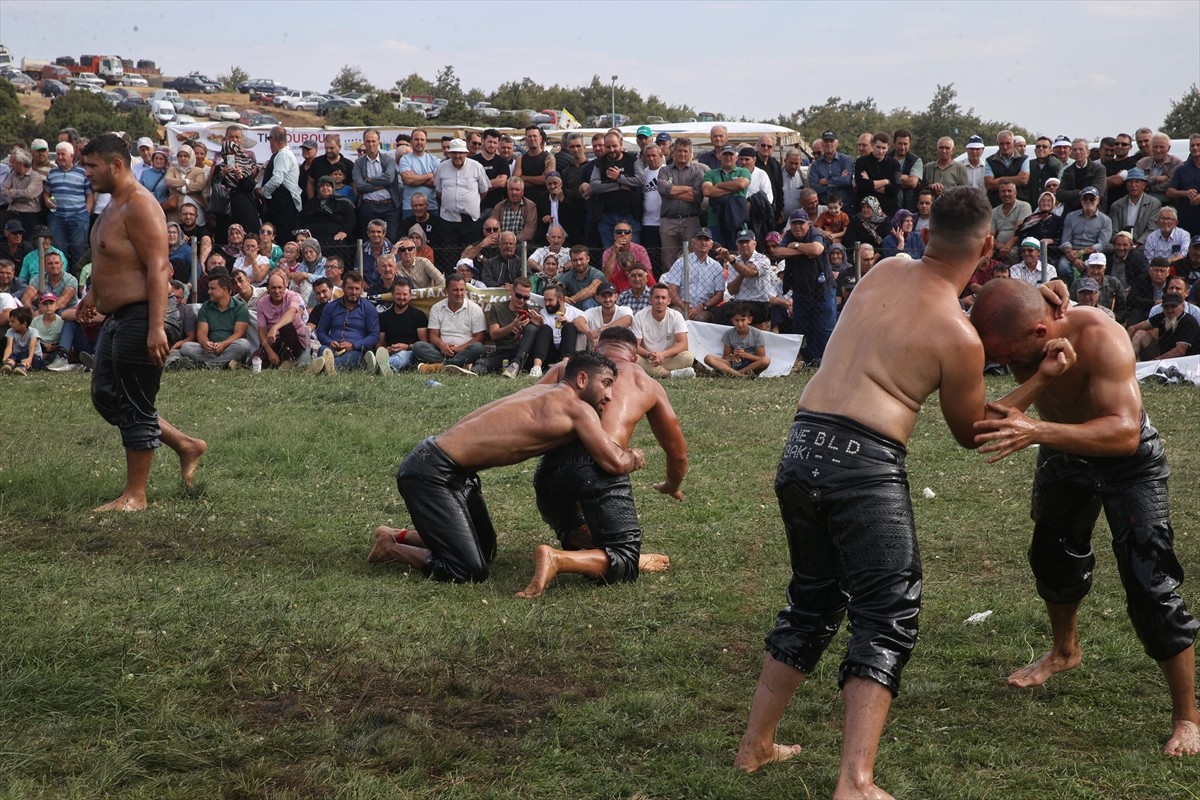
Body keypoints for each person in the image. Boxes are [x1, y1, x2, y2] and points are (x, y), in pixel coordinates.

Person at [733, 187, 1074, 795]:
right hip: (862, 463)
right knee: (886, 614)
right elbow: (973, 432)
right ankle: (856, 782)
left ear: (921, 230)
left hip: (802, 447)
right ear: (990, 246)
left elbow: (931, 301)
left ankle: (755, 745)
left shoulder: (885, 270)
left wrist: (1019, 305)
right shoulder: (959, 336)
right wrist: (1038, 380)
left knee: (812, 598)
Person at [970, 278, 1200, 758]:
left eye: (1013, 358)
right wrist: (1042, 379)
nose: (1006, 367)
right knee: (1052, 558)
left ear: (1039, 332)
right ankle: (1065, 652)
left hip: (1128, 462)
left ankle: (1187, 716)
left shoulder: (1101, 336)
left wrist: (1037, 429)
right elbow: (986, 421)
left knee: (1149, 580)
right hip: (1061, 451)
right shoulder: (1023, 334)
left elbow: (1124, 434)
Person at [368, 351, 646, 584]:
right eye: (606, 383)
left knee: (484, 549)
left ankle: (396, 534)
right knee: (467, 570)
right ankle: (389, 548)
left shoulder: (545, 390)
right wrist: (633, 456)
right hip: (432, 474)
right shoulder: (578, 408)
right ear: (582, 379)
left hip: (450, 470)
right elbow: (614, 462)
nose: (610, 395)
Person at [75, 134, 207, 512]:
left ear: (116, 165)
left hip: (148, 313)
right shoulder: (111, 207)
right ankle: (185, 444)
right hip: (119, 315)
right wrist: (92, 296)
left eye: (92, 166)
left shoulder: (140, 206)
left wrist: (155, 328)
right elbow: (111, 261)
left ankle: (136, 495)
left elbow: (159, 268)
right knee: (105, 394)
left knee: (135, 402)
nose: (87, 173)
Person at [518, 327, 686, 598]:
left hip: (550, 471)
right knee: (625, 561)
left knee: (572, 528)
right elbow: (677, 451)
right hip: (602, 464)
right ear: (633, 357)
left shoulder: (569, 368)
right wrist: (672, 483)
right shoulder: (645, 382)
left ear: (596, 351)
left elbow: (524, 404)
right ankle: (559, 559)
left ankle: (582, 544)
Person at [413, 274, 486, 374]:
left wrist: (459, 348)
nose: (459, 293)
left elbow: (480, 337)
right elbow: (433, 336)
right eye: (455, 290)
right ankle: (460, 365)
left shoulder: (474, 309)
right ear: (446, 290)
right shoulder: (436, 308)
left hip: (465, 350)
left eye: (462, 290)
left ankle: (439, 367)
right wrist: (442, 345)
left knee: (478, 348)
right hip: (442, 351)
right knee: (418, 346)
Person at [703, 304, 770, 377]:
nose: (740, 324)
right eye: (737, 320)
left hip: (750, 364)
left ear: (749, 320)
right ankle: (739, 375)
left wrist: (746, 355)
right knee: (708, 358)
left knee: (765, 361)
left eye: (743, 320)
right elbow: (726, 357)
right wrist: (733, 356)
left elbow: (761, 357)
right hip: (734, 364)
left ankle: (735, 374)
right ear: (732, 321)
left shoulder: (757, 334)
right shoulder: (729, 333)